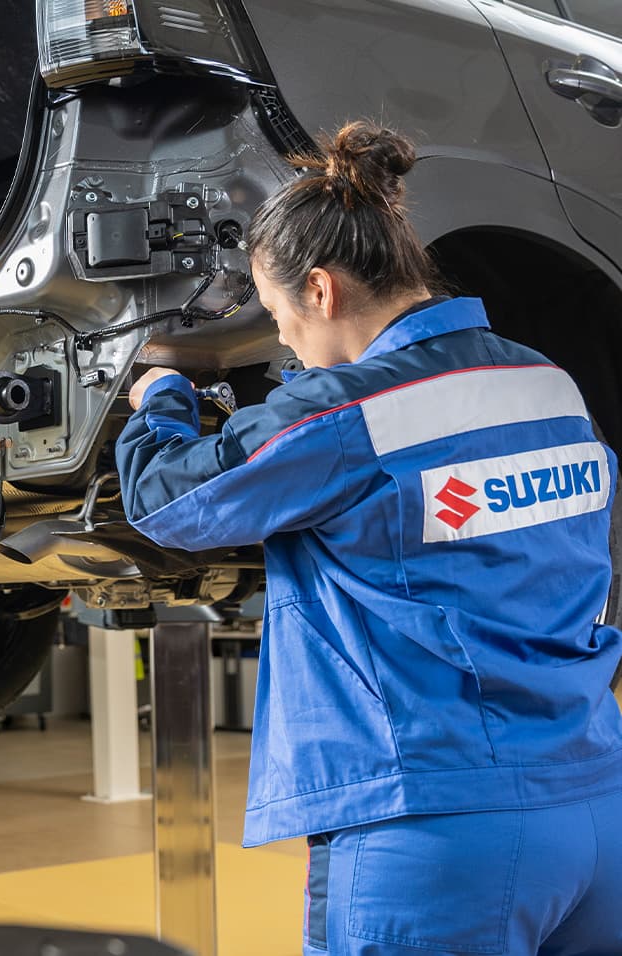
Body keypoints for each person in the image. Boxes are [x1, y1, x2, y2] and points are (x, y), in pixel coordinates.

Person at [117, 122, 622, 955]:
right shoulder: (549, 384)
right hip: (597, 807)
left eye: (277, 315)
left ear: (319, 290)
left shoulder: (347, 413)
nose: (280, 340)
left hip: (435, 831)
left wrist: (162, 394)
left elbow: (171, 501)